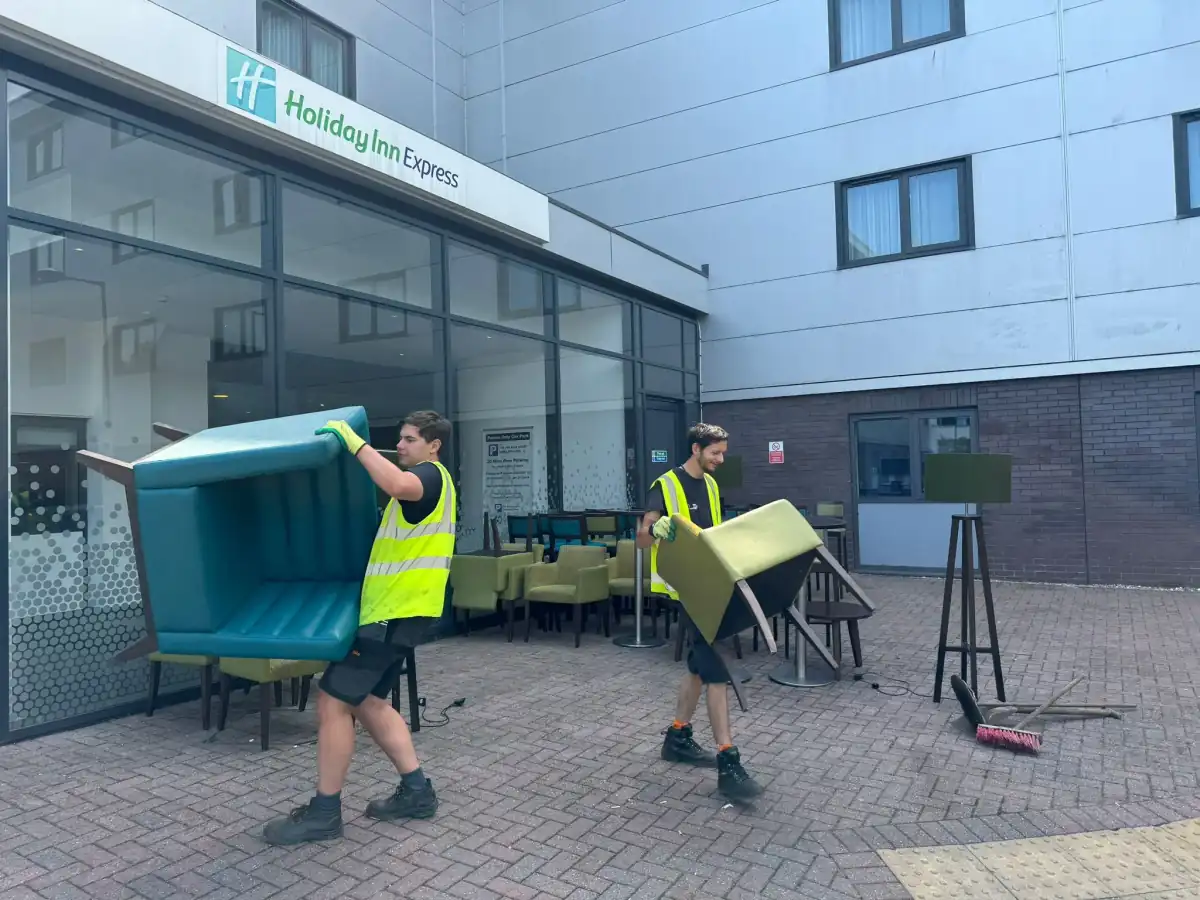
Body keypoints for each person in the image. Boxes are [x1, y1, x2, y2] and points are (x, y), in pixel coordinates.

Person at [262, 410, 457, 846]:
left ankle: (324, 814)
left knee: (333, 700)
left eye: (409, 439)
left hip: (394, 613)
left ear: (434, 445)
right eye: (400, 439)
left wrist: (355, 443)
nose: (400, 445)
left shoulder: (429, 477)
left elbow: (397, 484)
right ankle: (417, 793)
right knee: (367, 702)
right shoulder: (430, 487)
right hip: (401, 612)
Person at [637, 423, 763, 801]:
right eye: (715, 453)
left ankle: (677, 737)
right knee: (716, 671)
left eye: (723, 452)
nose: (720, 459)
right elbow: (641, 539)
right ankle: (729, 761)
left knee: (698, 666)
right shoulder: (664, 485)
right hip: (686, 588)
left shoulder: (710, 485)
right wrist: (655, 529)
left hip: (711, 586)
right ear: (696, 449)